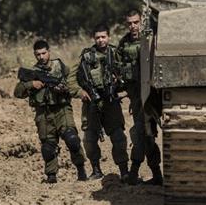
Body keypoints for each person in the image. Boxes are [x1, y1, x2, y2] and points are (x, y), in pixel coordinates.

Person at [14, 39, 88, 184]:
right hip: (44, 114)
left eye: (44, 53)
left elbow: (72, 82)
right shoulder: (33, 72)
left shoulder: (60, 67)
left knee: (72, 139)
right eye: (38, 54)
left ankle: (81, 169)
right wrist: (31, 84)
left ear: (49, 52)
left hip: (62, 109)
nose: (41, 57)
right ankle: (51, 175)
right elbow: (17, 92)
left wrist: (65, 89)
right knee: (48, 146)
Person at [74, 23, 130, 182]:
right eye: (97, 37)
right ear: (93, 38)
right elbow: (76, 79)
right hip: (93, 103)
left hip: (111, 103)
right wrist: (82, 92)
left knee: (119, 137)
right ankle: (96, 170)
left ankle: (124, 171)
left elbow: (126, 74)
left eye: (103, 37)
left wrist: (118, 81)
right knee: (89, 139)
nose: (100, 40)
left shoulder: (116, 53)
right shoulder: (86, 57)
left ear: (109, 37)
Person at [117, 10, 163, 185]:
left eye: (135, 22)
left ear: (141, 21)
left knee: (142, 132)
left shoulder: (151, 39)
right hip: (135, 97)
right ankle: (156, 174)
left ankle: (134, 171)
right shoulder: (124, 44)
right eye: (129, 23)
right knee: (145, 134)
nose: (133, 26)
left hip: (152, 96)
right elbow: (118, 67)